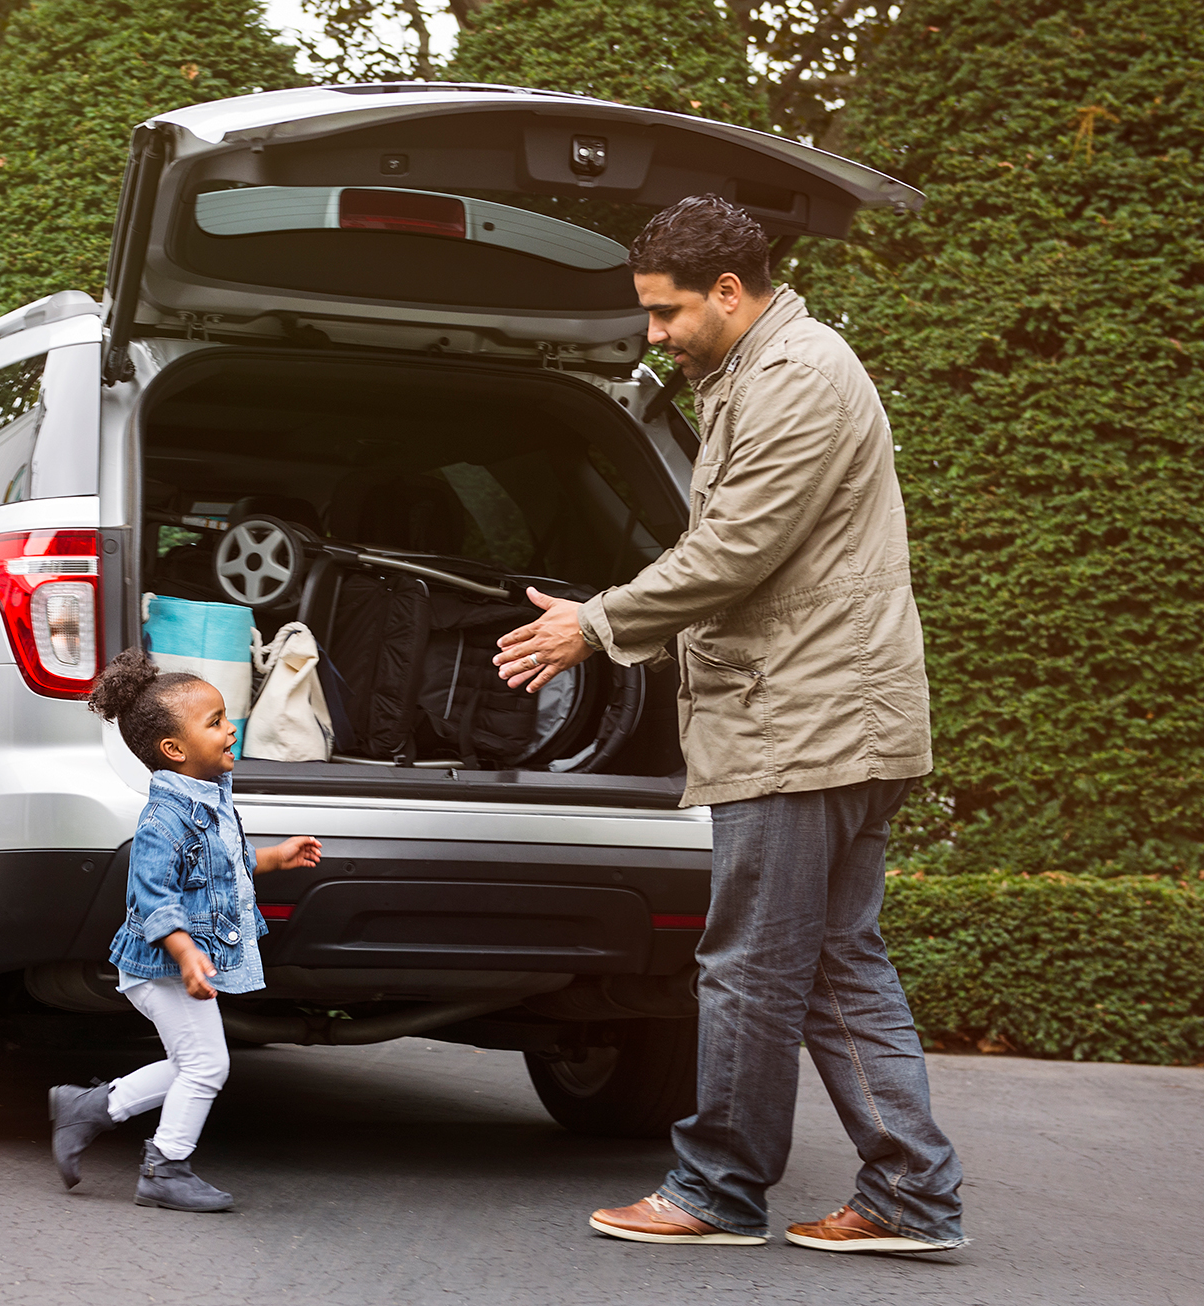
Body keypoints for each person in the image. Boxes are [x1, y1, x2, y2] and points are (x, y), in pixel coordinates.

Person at [492, 195, 965, 1254]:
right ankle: (911, 1194)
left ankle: (716, 1189)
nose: (653, 334)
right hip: (823, 714)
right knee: (839, 963)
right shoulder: (759, 373)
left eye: (665, 312)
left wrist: (598, 625)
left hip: (804, 722)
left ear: (727, 290)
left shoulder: (794, 379)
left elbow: (734, 552)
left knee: (751, 962)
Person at [48, 651, 324, 1212]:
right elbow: (155, 899)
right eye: (216, 721)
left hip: (181, 963)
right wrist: (187, 952)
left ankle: (89, 1109)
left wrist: (275, 857)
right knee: (208, 1065)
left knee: (189, 1061)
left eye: (227, 717)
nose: (231, 728)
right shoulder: (161, 821)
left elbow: (225, 863)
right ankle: (164, 1167)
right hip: (162, 966)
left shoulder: (211, 798)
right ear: (175, 750)